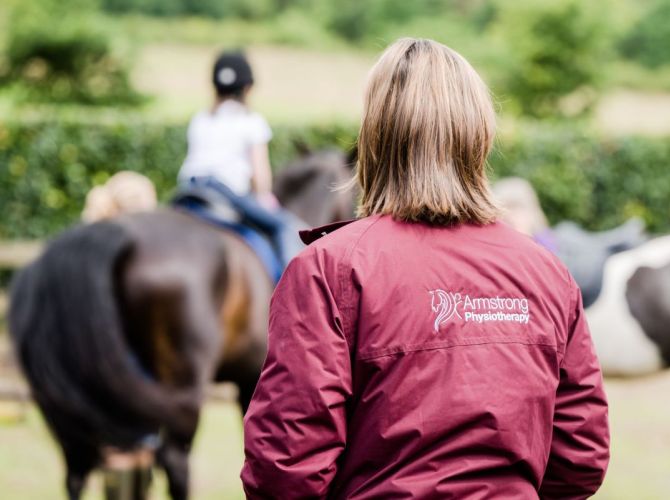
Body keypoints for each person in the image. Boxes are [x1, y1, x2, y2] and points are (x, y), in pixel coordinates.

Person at [241, 38, 609, 498]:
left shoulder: (329, 268)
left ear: (375, 137)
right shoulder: (546, 271)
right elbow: (580, 457)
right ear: (479, 134)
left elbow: (286, 468)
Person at [178, 50, 300, 266]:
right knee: (284, 226)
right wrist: (264, 197)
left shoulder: (200, 118)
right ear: (247, 87)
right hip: (226, 191)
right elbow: (260, 176)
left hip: (189, 188)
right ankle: (287, 291)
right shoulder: (251, 121)